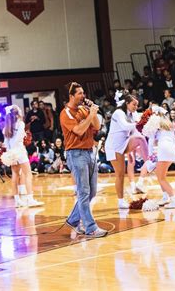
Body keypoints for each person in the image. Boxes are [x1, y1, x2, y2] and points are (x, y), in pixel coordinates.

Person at [60, 81, 107, 238]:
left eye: (83, 93)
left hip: (89, 152)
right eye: (79, 93)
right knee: (84, 191)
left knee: (91, 191)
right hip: (76, 153)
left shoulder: (84, 109)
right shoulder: (65, 113)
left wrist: (92, 113)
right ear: (71, 96)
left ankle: (73, 220)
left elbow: (97, 126)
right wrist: (91, 114)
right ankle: (90, 227)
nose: (83, 96)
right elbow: (79, 130)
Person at [105, 91, 148, 209]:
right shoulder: (118, 113)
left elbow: (135, 132)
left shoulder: (132, 115)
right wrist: (138, 122)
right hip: (113, 146)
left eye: (137, 105)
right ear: (127, 103)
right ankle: (120, 201)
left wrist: (130, 151)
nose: (136, 107)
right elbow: (125, 126)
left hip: (123, 143)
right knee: (120, 175)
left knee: (140, 138)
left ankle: (148, 162)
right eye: (134, 104)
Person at [3, 105, 44, 208]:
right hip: (20, 151)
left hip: (11, 153)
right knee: (28, 175)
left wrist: (10, 153)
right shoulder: (20, 124)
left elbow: (6, 143)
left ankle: (17, 201)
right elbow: (18, 139)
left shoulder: (6, 127)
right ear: (18, 114)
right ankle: (29, 199)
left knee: (15, 175)